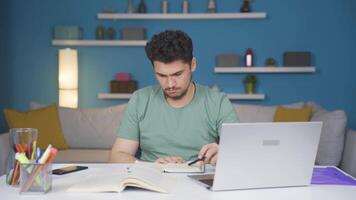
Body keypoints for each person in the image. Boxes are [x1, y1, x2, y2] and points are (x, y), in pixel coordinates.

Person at [110, 30, 238, 165]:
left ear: (192, 64)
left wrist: (223, 153)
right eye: (162, 75)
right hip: (151, 178)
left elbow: (240, 152)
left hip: (198, 178)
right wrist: (150, 167)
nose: (170, 84)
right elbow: (117, 156)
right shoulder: (140, 100)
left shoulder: (218, 102)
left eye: (177, 74)